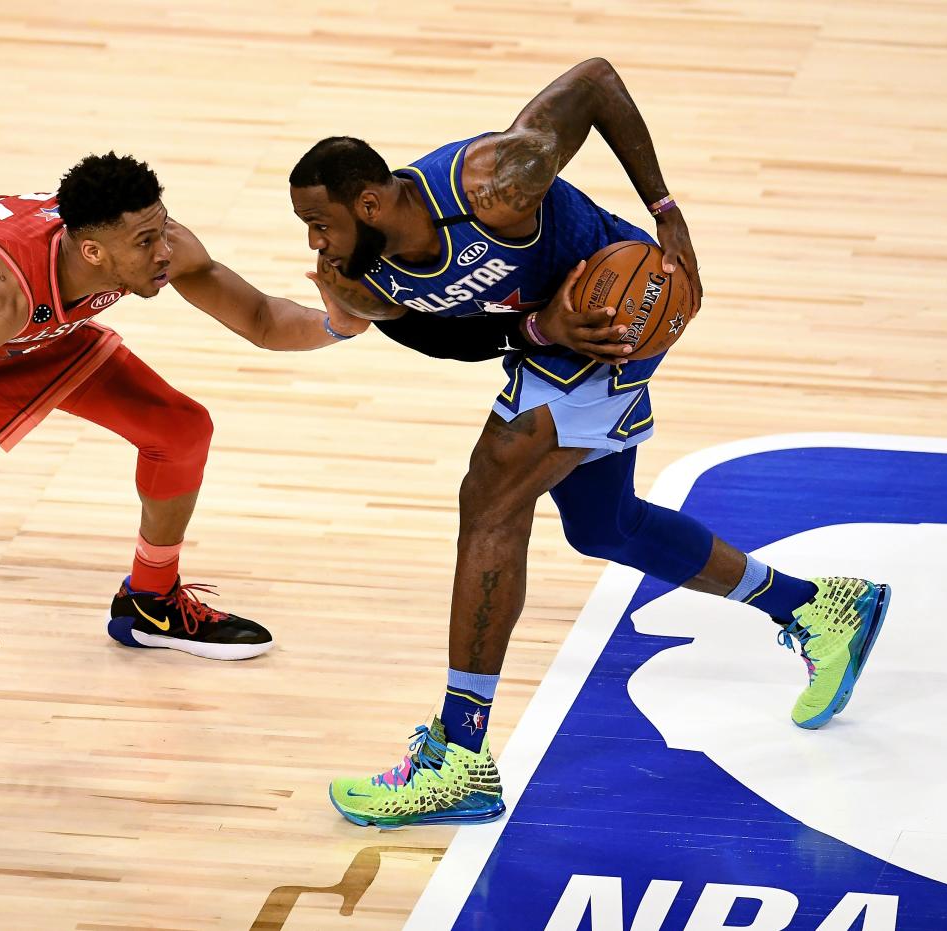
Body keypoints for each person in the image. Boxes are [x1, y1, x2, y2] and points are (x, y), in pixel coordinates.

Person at [288, 58, 890, 827]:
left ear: (370, 203)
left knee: (491, 493)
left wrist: (665, 207)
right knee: (605, 524)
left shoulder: (493, 181)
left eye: (322, 223)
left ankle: (462, 755)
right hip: (555, 333)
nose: (315, 243)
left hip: (620, 306)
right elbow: (436, 338)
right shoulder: (355, 275)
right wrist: (535, 330)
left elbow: (598, 81)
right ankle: (821, 607)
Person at [0, 152, 369, 834]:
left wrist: (338, 324)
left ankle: (151, 600)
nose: (165, 251)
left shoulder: (151, 246)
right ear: (92, 253)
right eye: (146, 243)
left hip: (3, 329)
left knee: (179, 427)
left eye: (162, 229)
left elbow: (257, 317)